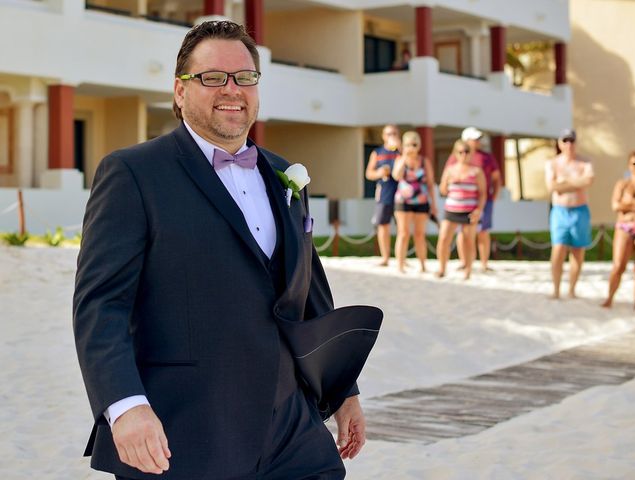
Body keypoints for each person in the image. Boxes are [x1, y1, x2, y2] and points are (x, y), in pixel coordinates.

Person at [73, 21, 365, 480]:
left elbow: (310, 292)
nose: (232, 89)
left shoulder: (285, 174)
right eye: (212, 77)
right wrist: (124, 406)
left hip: (292, 431)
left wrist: (343, 387)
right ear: (179, 90)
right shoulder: (133, 173)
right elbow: (101, 305)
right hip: (184, 433)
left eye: (245, 77)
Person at [545, 129, 594, 299]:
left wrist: (564, 182)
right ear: (560, 143)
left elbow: (588, 181)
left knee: (578, 251)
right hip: (559, 211)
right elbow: (551, 187)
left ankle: (572, 289)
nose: (569, 144)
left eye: (572, 141)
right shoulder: (553, 163)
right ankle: (556, 290)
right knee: (558, 250)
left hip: (580, 210)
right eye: (565, 141)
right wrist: (576, 183)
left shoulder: (585, 161)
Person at [445, 127, 501, 272]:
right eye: (475, 139)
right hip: (461, 203)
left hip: (483, 200)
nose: (478, 141)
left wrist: (494, 196)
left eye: (478, 139)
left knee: (483, 231)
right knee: (462, 234)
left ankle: (483, 263)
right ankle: (464, 262)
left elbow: (496, 178)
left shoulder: (486, 157)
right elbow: (446, 178)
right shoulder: (455, 157)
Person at [436, 140, 486, 280]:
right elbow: (443, 190)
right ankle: (442, 268)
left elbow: (483, 193)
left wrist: (478, 210)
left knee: (469, 241)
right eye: (460, 151)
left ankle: (468, 271)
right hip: (452, 208)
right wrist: (448, 182)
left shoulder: (476, 171)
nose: (464, 154)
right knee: (444, 238)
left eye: (467, 151)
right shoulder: (450, 170)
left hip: (469, 210)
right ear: (455, 153)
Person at [391, 131, 437, 273]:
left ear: (419, 145)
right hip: (403, 201)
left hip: (421, 201)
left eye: (414, 144)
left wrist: (433, 204)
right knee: (403, 233)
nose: (412, 147)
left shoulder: (424, 161)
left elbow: (430, 183)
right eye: (408, 144)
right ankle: (400, 265)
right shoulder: (400, 159)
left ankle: (423, 265)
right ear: (404, 146)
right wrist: (404, 157)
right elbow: (396, 176)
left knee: (419, 234)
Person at [602, 150, 635, 309]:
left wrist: (628, 205)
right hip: (624, 227)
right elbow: (615, 205)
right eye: (634, 163)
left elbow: (621, 205)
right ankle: (609, 298)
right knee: (618, 266)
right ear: (629, 165)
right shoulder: (623, 184)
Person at [365, 124, 400, 266]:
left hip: (402, 192)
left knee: (402, 227)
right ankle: (385, 257)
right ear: (383, 136)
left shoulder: (402, 151)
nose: (391, 136)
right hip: (384, 191)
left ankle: (400, 258)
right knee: (383, 225)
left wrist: (401, 148)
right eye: (388, 134)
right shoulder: (377, 153)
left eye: (394, 133)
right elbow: (369, 173)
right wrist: (379, 173)